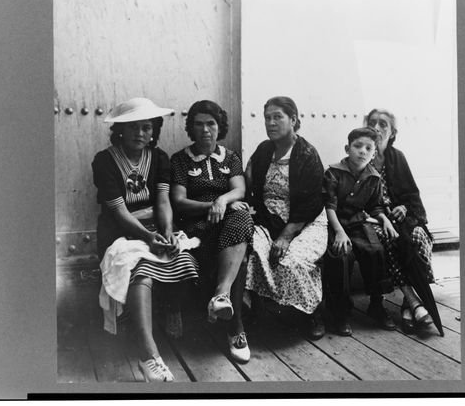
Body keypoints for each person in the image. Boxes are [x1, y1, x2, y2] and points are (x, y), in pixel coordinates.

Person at [92, 97, 199, 382]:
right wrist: (148, 237)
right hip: (120, 231)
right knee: (141, 270)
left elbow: (163, 201)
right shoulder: (105, 160)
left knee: (184, 256)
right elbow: (119, 212)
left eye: (147, 128)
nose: (141, 133)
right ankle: (148, 357)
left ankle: (172, 308)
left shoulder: (159, 158)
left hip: (154, 228)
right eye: (134, 127)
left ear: (154, 131)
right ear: (120, 130)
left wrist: (166, 231)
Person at [170, 100, 254, 363]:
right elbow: (179, 201)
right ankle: (236, 329)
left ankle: (221, 294)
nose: (205, 129)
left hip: (227, 220)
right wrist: (210, 205)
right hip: (196, 225)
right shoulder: (181, 160)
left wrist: (222, 201)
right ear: (191, 128)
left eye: (211, 123)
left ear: (220, 127)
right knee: (236, 252)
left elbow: (239, 190)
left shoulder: (230, 158)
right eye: (199, 124)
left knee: (240, 219)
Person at [245, 96, 328, 340]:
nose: (271, 123)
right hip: (269, 218)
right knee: (256, 252)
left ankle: (312, 312)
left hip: (305, 222)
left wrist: (284, 237)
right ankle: (260, 313)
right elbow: (251, 182)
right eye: (267, 118)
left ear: (293, 120)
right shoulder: (264, 150)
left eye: (277, 117)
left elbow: (311, 204)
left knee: (293, 261)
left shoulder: (307, 154)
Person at [323, 127, 399, 336]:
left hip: (358, 222)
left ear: (374, 153)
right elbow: (329, 206)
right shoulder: (333, 172)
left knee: (375, 249)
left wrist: (385, 220)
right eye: (357, 146)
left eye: (368, 148)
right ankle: (340, 312)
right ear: (348, 148)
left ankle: (376, 305)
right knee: (341, 255)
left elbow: (376, 206)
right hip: (335, 223)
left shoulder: (373, 177)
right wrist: (338, 231)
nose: (362, 151)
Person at [366, 108, 435, 333]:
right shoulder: (361, 154)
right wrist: (381, 215)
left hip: (399, 219)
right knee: (387, 238)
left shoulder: (397, 157)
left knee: (419, 236)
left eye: (383, 124)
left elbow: (412, 195)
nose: (376, 128)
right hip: (373, 220)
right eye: (373, 122)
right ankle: (415, 302)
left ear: (392, 133)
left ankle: (408, 305)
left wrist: (404, 207)